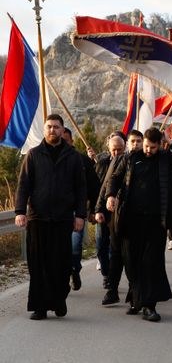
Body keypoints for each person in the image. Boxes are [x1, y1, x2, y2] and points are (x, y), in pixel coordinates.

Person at [106, 127, 172, 322]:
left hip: (156, 221)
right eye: (146, 146)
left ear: (159, 145)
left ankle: (148, 306)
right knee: (131, 261)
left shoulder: (164, 157)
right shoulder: (130, 158)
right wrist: (111, 195)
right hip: (131, 220)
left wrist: (171, 143)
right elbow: (115, 178)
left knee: (151, 263)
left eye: (152, 147)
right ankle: (136, 299)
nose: (148, 150)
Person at [14, 114, 87, 320]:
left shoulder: (73, 156)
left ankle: (59, 301)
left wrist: (80, 215)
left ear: (63, 131)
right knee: (38, 264)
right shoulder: (34, 155)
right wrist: (20, 211)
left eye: (56, 127)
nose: (52, 130)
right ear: (44, 130)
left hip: (63, 219)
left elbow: (81, 189)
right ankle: (40, 306)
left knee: (61, 264)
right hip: (38, 218)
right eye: (49, 127)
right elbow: (23, 185)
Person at [96, 130, 142, 306]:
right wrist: (100, 208)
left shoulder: (147, 160)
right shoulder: (119, 161)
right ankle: (112, 290)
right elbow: (108, 185)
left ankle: (134, 292)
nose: (135, 145)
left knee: (131, 256)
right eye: (133, 141)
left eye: (139, 141)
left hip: (138, 217)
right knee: (115, 254)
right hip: (118, 215)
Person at [62, 127, 99, 293]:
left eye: (65, 140)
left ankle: (74, 269)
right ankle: (63, 277)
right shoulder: (48, 160)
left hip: (77, 212)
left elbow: (93, 187)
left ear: (71, 141)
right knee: (58, 248)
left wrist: (92, 210)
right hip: (55, 213)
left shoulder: (82, 160)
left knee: (75, 246)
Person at [93, 133, 126, 292]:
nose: (116, 153)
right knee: (101, 246)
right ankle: (106, 273)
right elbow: (95, 189)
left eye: (120, 150)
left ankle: (111, 279)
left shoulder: (127, 163)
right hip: (102, 213)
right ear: (108, 149)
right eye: (114, 150)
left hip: (120, 214)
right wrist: (95, 210)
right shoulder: (101, 163)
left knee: (115, 249)